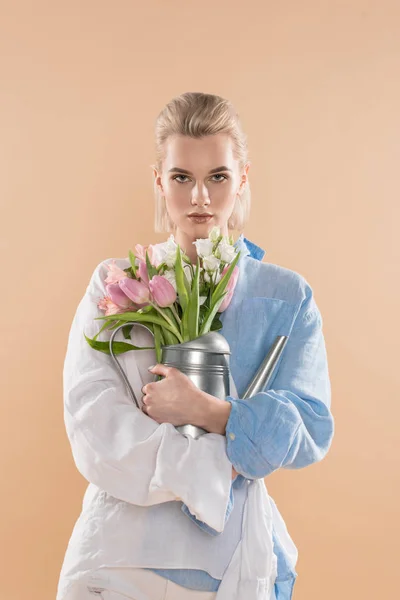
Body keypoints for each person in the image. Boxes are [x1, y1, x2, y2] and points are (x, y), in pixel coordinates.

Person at [56, 92, 335, 600]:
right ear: (159, 181)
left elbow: (307, 425)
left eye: (218, 177)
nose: (200, 197)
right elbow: (93, 423)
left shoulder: (285, 297)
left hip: (232, 562)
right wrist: (222, 461)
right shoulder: (116, 285)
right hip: (115, 560)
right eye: (182, 177)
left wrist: (208, 411)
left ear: (243, 178)